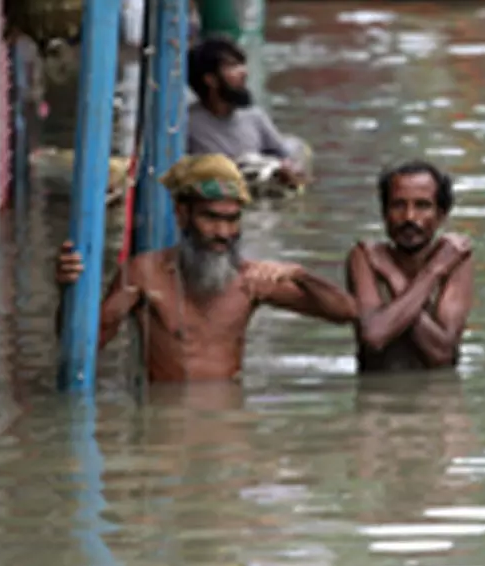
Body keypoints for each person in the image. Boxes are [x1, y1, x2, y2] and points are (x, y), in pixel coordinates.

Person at [54, 154, 356, 383]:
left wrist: (299, 274)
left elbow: (346, 313)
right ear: (182, 214)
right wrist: (68, 290)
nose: (223, 232)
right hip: (167, 431)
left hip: (230, 430)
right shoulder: (144, 275)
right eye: (211, 218)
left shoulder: (251, 280)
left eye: (232, 219)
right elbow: (83, 346)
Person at [344, 160, 474, 373]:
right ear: (384, 213)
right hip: (378, 396)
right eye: (398, 205)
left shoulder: (454, 259)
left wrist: (396, 275)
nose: (409, 217)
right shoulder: (365, 256)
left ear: (441, 215)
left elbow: (442, 354)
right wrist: (431, 274)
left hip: (437, 399)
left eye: (422, 206)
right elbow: (375, 336)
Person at [186, 37, 307, 187]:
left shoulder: (254, 116)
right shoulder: (189, 124)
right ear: (210, 80)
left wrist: (289, 171)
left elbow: (285, 157)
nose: (244, 72)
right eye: (232, 66)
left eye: (242, 64)